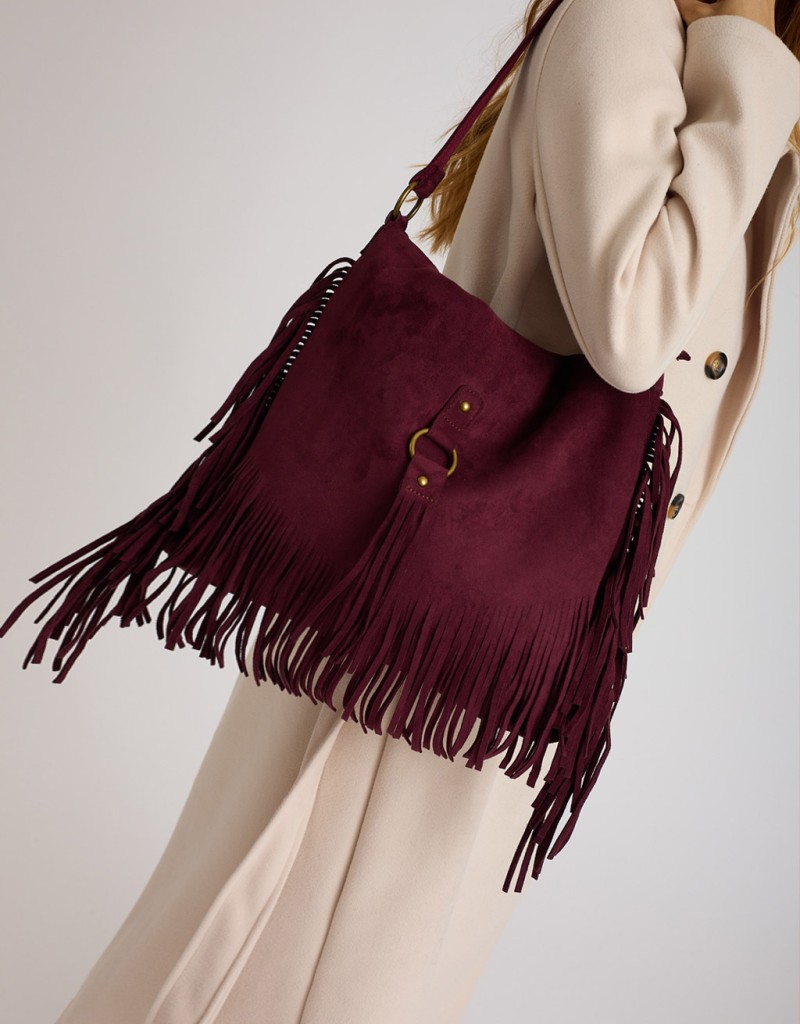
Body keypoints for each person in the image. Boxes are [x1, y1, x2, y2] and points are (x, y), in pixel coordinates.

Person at [49, 0, 800, 1021]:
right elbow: (635, 327)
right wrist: (747, 47)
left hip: (507, 644)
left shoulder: (713, 74)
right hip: (440, 626)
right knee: (266, 959)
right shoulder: (625, 23)